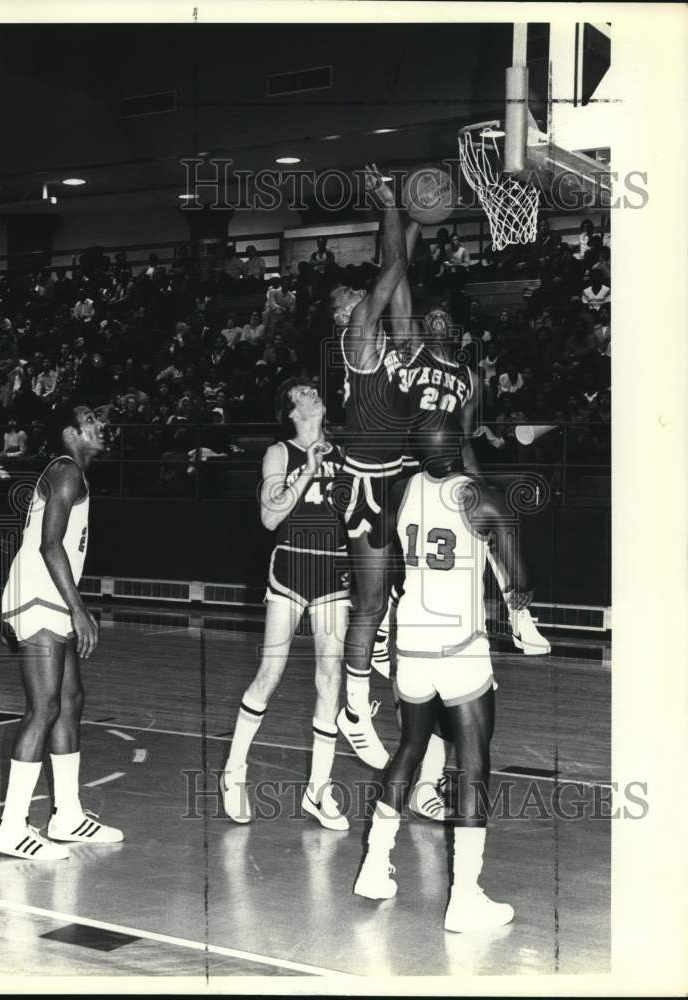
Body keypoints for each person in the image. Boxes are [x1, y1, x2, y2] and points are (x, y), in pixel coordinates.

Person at [353, 431, 532, 933]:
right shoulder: (482, 497)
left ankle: (373, 867)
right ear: (460, 448)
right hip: (460, 646)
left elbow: (376, 543)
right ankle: (465, 897)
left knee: (409, 747)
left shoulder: (402, 490)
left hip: (411, 643)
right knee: (473, 762)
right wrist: (519, 596)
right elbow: (519, 581)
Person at [220, 378, 351, 831]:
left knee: (330, 677)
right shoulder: (280, 452)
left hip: (334, 572)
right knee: (270, 674)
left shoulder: (345, 452)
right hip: (291, 570)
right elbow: (270, 515)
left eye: (318, 390)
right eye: (304, 393)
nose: (316, 394)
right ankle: (234, 772)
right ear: (292, 411)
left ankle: (318, 790)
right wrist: (308, 470)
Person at [0, 403, 123, 859]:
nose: (100, 425)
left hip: (49, 598)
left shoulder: (73, 474)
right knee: (44, 707)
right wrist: (79, 609)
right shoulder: (66, 471)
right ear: (70, 433)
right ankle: (12, 826)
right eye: (90, 421)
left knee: (70, 700)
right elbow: (50, 545)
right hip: (39, 597)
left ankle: (67, 815)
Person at [327, 165, 411, 769]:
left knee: (397, 593)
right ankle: (354, 706)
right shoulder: (358, 335)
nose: (355, 294)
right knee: (371, 599)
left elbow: (400, 274)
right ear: (344, 315)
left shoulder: (389, 338)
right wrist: (387, 204)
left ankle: (379, 647)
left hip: (397, 476)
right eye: (345, 296)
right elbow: (389, 275)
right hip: (367, 486)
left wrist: (410, 220)